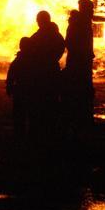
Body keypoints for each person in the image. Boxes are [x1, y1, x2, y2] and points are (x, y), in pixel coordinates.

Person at [28, 10, 65, 139]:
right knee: (51, 98)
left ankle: (44, 128)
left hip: (42, 71)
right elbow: (61, 47)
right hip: (51, 68)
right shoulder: (56, 35)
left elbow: (31, 49)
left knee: (42, 98)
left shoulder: (40, 36)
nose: (37, 22)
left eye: (38, 20)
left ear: (43, 20)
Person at [64, 0, 96, 129]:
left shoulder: (84, 22)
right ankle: (79, 118)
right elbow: (70, 42)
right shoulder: (78, 23)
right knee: (80, 88)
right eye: (91, 9)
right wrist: (82, 53)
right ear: (85, 9)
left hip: (82, 60)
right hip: (79, 61)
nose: (93, 11)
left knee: (83, 89)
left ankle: (82, 117)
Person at [6, 37, 34, 139]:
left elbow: (11, 75)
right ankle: (29, 135)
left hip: (21, 90)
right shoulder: (34, 60)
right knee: (30, 114)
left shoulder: (18, 60)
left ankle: (19, 135)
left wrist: (9, 86)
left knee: (19, 114)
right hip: (30, 90)